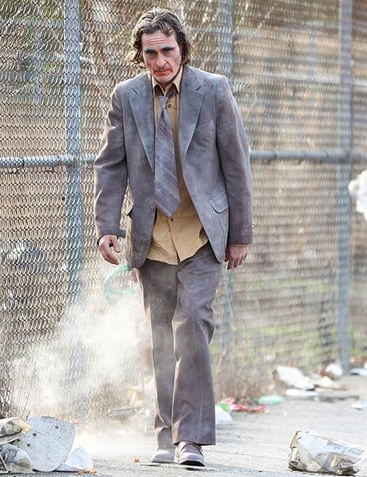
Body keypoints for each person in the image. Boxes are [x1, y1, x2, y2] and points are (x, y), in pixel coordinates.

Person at [93, 7, 252, 467]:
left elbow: (236, 165)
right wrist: (108, 227)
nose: (160, 60)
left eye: (167, 50)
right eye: (150, 53)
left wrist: (239, 234)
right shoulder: (127, 97)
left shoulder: (214, 91)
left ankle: (192, 439)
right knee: (159, 335)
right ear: (140, 56)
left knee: (193, 326)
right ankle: (165, 432)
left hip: (203, 232)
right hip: (152, 237)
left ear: (182, 48)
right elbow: (111, 166)